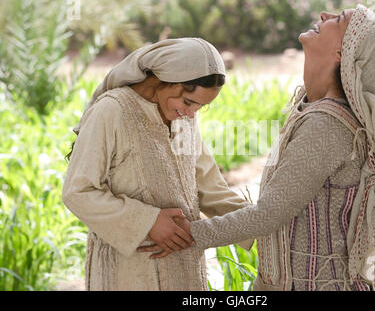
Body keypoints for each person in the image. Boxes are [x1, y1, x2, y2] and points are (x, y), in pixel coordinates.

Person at [143, 5, 375, 291]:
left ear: (344, 53)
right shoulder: (313, 111)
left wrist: (185, 235)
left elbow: (268, 214)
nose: (325, 15)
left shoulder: (327, 127)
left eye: (338, 20)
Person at [62, 38, 253, 291]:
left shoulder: (183, 118)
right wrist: (147, 222)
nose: (192, 113)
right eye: (188, 102)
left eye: (201, 107)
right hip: (129, 272)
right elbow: (78, 191)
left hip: (184, 269)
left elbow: (210, 189)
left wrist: (264, 222)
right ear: (164, 80)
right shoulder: (112, 110)